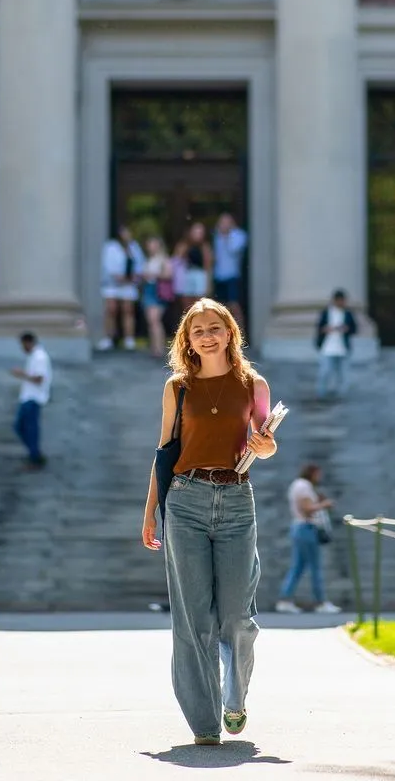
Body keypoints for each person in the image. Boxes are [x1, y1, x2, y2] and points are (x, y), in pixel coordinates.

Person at [141, 298, 277, 746]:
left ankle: (234, 698)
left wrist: (263, 445)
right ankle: (204, 723)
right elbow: (165, 453)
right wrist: (151, 514)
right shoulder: (177, 388)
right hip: (185, 501)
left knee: (237, 616)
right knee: (192, 618)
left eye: (215, 327)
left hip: (237, 500)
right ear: (187, 339)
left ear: (230, 332)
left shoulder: (252, 384)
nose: (207, 335)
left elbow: (267, 444)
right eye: (198, 330)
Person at [275, 464, 341, 614]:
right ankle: (321, 602)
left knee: (297, 567)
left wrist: (318, 500)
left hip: (299, 528)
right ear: (312, 473)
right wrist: (325, 504)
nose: (319, 478)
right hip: (307, 529)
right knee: (315, 567)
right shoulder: (304, 486)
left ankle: (284, 599)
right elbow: (307, 509)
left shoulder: (297, 485)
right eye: (318, 474)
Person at [99, 225, 144, 351]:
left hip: (129, 284)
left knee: (128, 310)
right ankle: (109, 338)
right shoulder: (110, 247)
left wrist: (134, 276)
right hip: (112, 284)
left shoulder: (134, 247)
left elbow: (140, 264)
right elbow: (108, 266)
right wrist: (118, 276)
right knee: (111, 309)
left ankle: (129, 338)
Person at [11, 331, 52, 469]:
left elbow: (39, 378)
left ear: (28, 342)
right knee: (21, 427)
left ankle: (35, 456)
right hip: (28, 397)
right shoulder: (34, 356)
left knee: (29, 428)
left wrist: (21, 374)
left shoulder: (40, 357)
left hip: (34, 398)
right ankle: (34, 454)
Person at [315, 289, 358, 399]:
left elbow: (354, 328)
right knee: (324, 372)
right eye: (339, 300)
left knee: (343, 374)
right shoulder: (326, 312)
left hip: (343, 348)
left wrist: (346, 329)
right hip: (327, 348)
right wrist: (327, 329)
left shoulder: (348, 313)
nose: (341, 302)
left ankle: (342, 395)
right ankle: (321, 394)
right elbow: (319, 328)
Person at [213, 213, 248, 332]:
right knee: (221, 307)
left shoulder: (238, 235)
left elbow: (234, 249)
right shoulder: (216, 236)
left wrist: (227, 235)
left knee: (234, 305)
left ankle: (241, 333)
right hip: (219, 276)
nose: (223, 225)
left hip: (232, 276)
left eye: (226, 222)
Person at [140, 236, 173, 358]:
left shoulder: (163, 259)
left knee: (155, 320)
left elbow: (169, 274)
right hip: (148, 290)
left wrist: (154, 274)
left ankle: (159, 348)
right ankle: (154, 347)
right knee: (151, 320)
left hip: (157, 290)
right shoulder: (148, 259)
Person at [179, 222, 212, 313]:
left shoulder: (205, 247)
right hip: (188, 273)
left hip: (200, 274)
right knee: (187, 301)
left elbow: (207, 265)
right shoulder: (186, 245)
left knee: (200, 302)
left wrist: (208, 282)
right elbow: (178, 258)